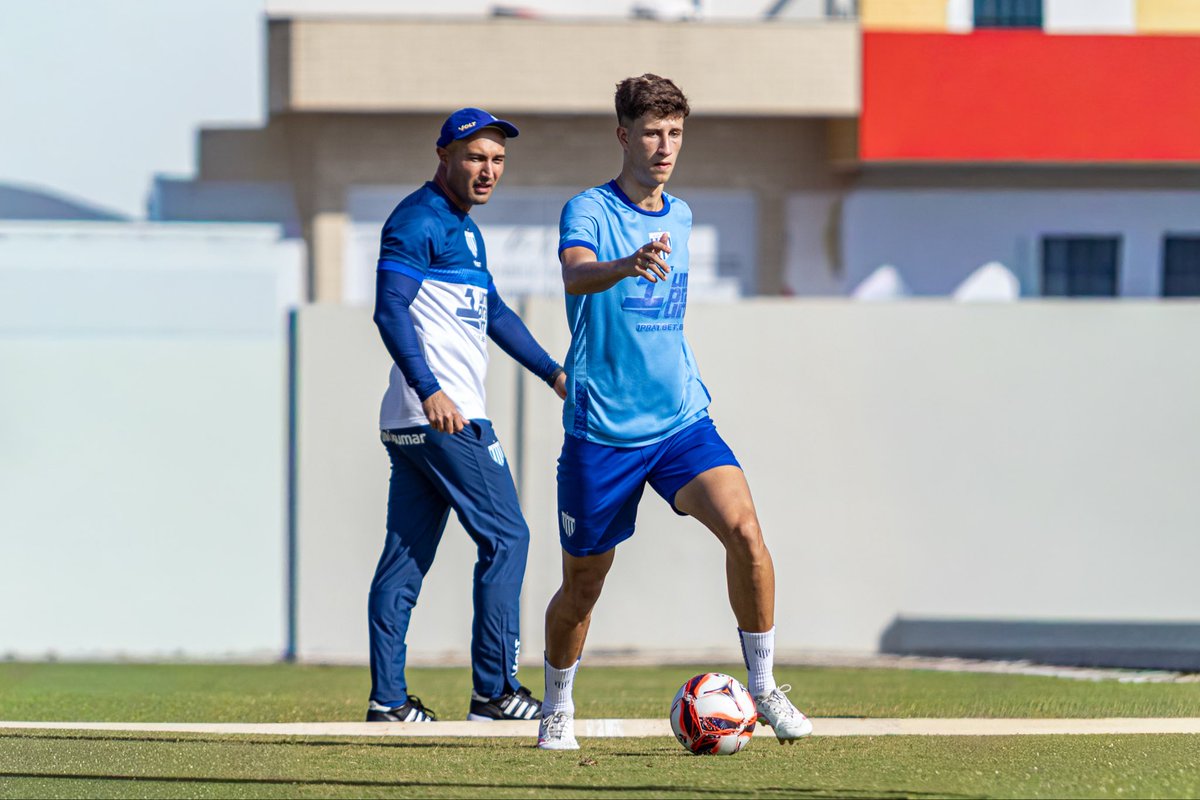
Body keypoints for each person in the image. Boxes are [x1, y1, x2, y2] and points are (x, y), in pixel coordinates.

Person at [536, 75, 813, 750]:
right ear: (624, 135)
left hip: (682, 422)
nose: (665, 147)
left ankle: (766, 686)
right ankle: (557, 706)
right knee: (582, 588)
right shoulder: (590, 210)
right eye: (654, 133)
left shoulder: (682, 216)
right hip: (603, 433)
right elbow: (574, 273)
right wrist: (625, 264)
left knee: (746, 533)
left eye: (676, 134)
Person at [368, 108, 566, 724]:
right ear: (445, 155)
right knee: (508, 537)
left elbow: (495, 313)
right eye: (476, 157)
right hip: (444, 418)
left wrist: (555, 373)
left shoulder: (463, 227)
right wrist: (430, 389)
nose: (489, 170)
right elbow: (389, 309)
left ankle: (389, 702)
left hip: (413, 423)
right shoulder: (418, 218)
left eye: (498, 159)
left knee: (404, 558)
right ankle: (496, 693)